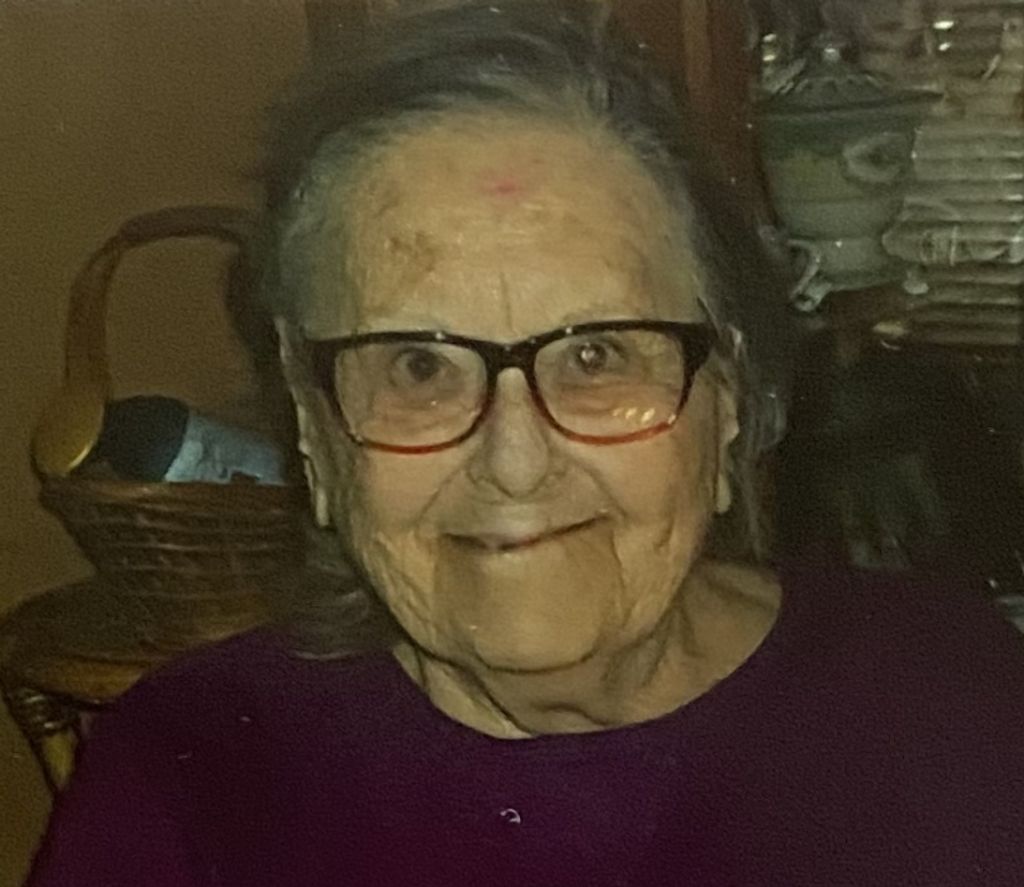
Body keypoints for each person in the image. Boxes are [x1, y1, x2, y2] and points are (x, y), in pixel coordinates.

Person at [27, 2, 1024, 885]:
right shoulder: (192, 777)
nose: (515, 459)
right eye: (418, 365)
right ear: (313, 427)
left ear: (724, 398)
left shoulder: (950, 702)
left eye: (597, 353)